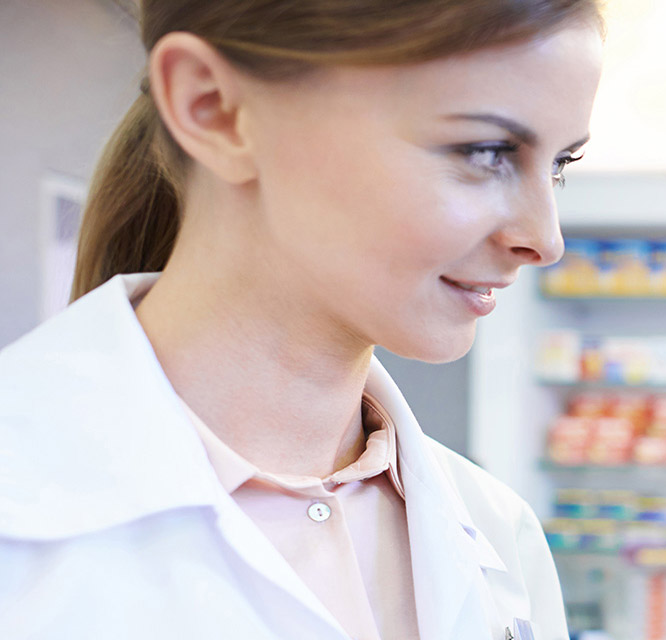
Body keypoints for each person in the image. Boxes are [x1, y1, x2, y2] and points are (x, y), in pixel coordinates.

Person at [0, 1, 603, 637]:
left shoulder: (499, 530)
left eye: (562, 164)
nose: (545, 239)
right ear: (215, 109)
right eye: (484, 151)